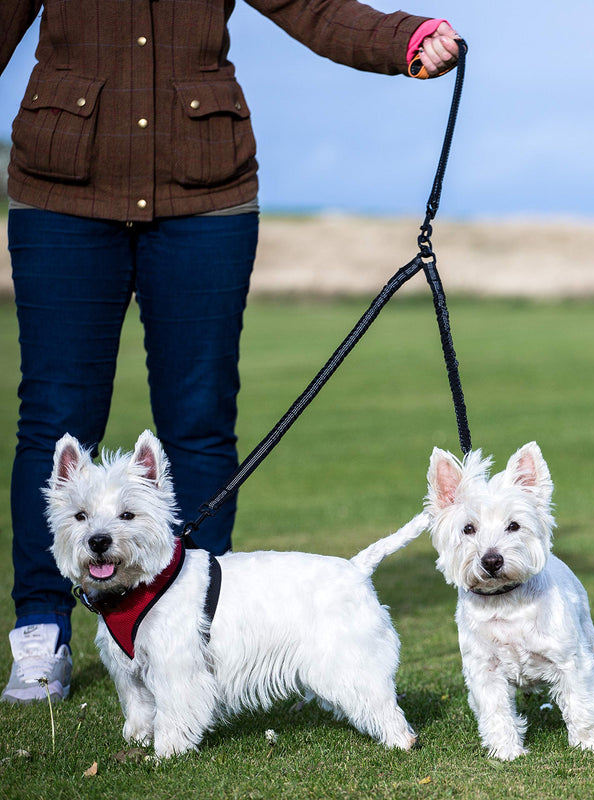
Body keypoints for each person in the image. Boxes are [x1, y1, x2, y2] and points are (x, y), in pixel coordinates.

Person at [0, 0, 461, 705]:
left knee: (199, 417)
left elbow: (313, 6)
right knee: (57, 415)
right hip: (61, 197)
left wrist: (408, 38)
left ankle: (192, 625)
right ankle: (41, 634)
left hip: (205, 201)